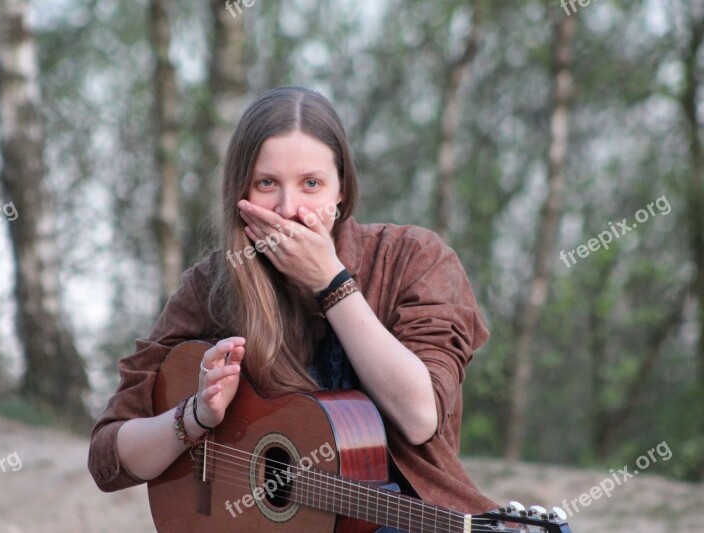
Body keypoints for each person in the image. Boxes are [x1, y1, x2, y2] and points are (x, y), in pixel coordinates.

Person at [88, 86, 498, 528]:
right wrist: (195, 416)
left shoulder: (414, 259)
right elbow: (108, 457)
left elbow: (420, 417)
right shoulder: (211, 285)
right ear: (239, 190)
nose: (288, 209)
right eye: (267, 184)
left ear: (342, 188)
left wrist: (332, 282)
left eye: (311, 184)